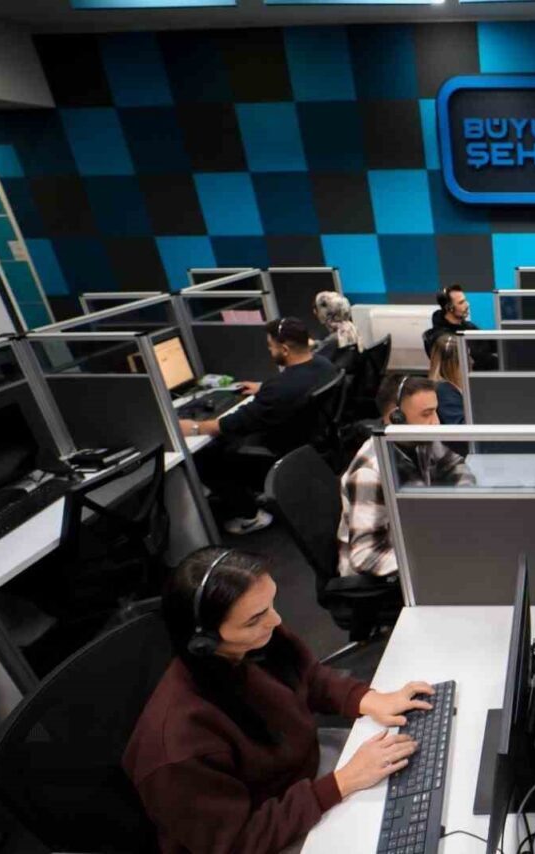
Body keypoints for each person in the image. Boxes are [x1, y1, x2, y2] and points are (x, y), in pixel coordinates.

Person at [125, 548, 435, 854]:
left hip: (303, 774)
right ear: (203, 641)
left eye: (270, 604)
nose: (275, 620)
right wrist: (343, 782)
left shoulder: (253, 641)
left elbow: (308, 677)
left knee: (420, 779)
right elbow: (238, 842)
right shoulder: (176, 747)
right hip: (268, 828)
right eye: (254, 619)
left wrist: (368, 699)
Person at [180, 317, 338, 534]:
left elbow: (230, 424)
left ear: (284, 349)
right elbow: (294, 387)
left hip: (283, 455)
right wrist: (264, 388)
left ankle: (251, 516)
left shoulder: (279, 389)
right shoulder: (323, 364)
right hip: (312, 445)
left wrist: (194, 427)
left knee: (206, 458)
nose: (269, 351)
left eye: (271, 347)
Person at [337, 377, 475, 577]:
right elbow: (365, 556)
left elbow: (454, 465)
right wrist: (432, 559)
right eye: (427, 414)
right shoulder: (371, 473)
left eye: (435, 411)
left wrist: (465, 504)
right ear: (397, 419)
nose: (436, 422)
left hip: (415, 537)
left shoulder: (418, 439)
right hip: (383, 576)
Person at [312, 291, 360, 368]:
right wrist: (315, 344)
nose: (315, 313)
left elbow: (312, 360)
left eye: (317, 310)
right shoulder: (350, 328)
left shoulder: (337, 336)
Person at [427, 333, 465, 426]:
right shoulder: (444, 391)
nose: (472, 361)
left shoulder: (448, 386)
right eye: (466, 358)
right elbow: (461, 426)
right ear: (453, 365)